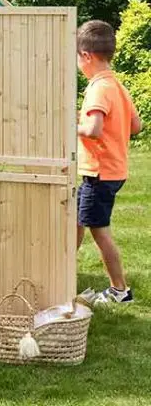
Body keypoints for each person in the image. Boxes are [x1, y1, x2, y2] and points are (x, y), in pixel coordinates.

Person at [76, 21, 143, 304]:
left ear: (86, 55)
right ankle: (61, 274)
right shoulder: (116, 85)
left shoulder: (98, 88)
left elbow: (93, 129)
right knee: (76, 221)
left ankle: (119, 290)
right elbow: (137, 125)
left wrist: (71, 126)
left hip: (99, 172)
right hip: (112, 170)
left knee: (99, 230)